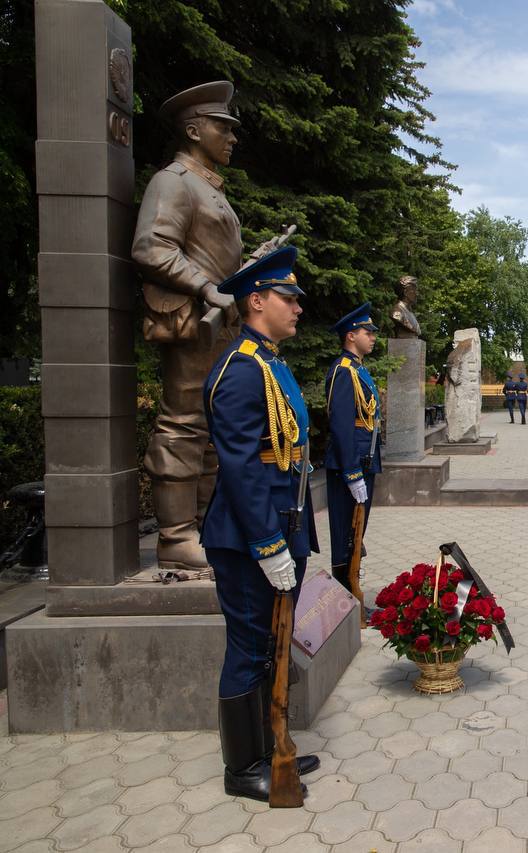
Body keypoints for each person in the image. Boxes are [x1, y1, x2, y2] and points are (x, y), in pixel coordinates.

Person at [201, 246, 320, 800]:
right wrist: (269, 544)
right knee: (249, 646)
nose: (298, 307)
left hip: (280, 525)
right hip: (250, 536)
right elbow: (242, 466)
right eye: (288, 297)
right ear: (256, 300)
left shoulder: (269, 362)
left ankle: (273, 744)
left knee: (273, 640)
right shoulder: (241, 370)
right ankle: (242, 765)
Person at [132, 81, 245, 573]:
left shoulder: (208, 187)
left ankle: (202, 527)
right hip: (194, 323)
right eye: (223, 127)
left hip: (218, 327)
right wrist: (205, 287)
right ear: (194, 129)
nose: (232, 137)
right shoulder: (173, 181)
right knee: (182, 425)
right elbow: (151, 247)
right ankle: (176, 538)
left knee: (212, 429)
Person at [325, 303, 383, 599]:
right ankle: (345, 598)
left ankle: (352, 595)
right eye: (367, 331)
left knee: (356, 534)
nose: (373, 336)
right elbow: (341, 425)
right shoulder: (343, 371)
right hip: (352, 465)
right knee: (346, 536)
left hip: (364, 461)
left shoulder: (358, 370)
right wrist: (351, 472)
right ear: (351, 336)